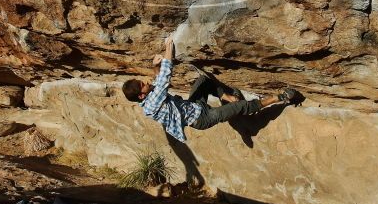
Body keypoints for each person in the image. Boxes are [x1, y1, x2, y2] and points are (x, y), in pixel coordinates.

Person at [121, 35, 302, 142]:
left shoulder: (149, 97)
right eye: (142, 85)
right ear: (141, 96)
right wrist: (169, 47)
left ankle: (229, 98)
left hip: (194, 106)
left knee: (203, 80)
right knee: (242, 107)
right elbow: (165, 77)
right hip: (202, 119)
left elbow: (158, 82)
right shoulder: (151, 104)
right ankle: (279, 98)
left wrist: (155, 66)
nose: (145, 82)